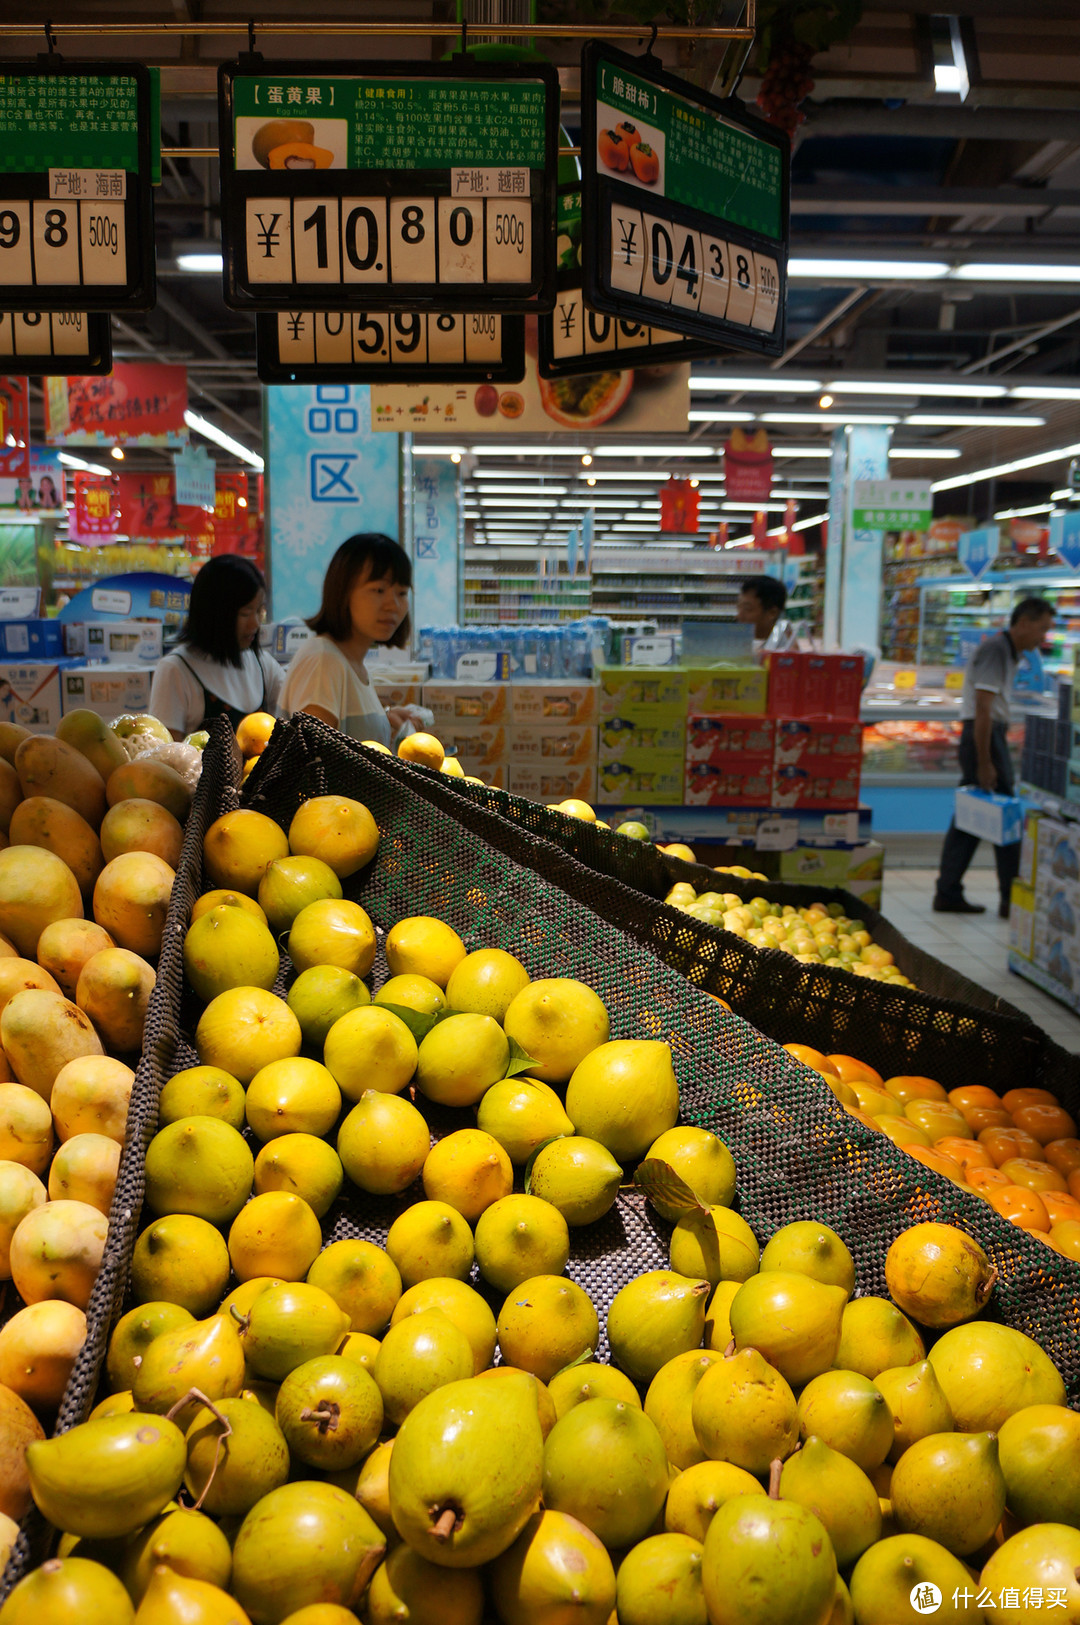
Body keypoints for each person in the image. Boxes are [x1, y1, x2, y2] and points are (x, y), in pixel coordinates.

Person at [934, 595, 1056, 918]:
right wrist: (986, 761)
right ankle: (1008, 898)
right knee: (1006, 818)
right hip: (983, 738)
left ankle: (949, 891)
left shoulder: (1008, 652)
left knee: (970, 818)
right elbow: (983, 710)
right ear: (1024, 623)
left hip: (986, 738)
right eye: (1041, 628)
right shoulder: (996, 651)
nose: (1044, 637)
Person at [282, 533, 413, 747]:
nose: (394, 605)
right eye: (378, 590)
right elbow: (312, 762)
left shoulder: (348, 660)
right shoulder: (324, 661)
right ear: (343, 590)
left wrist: (384, 720)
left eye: (402, 592)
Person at [149, 554, 285, 740]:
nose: (255, 624)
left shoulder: (262, 664)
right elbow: (167, 758)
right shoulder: (176, 671)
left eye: (259, 611)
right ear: (215, 614)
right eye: (245, 613)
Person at [736, 575, 797, 651]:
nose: (739, 616)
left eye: (747, 609)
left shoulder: (785, 653)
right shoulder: (745, 644)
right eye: (739, 607)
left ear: (772, 613)